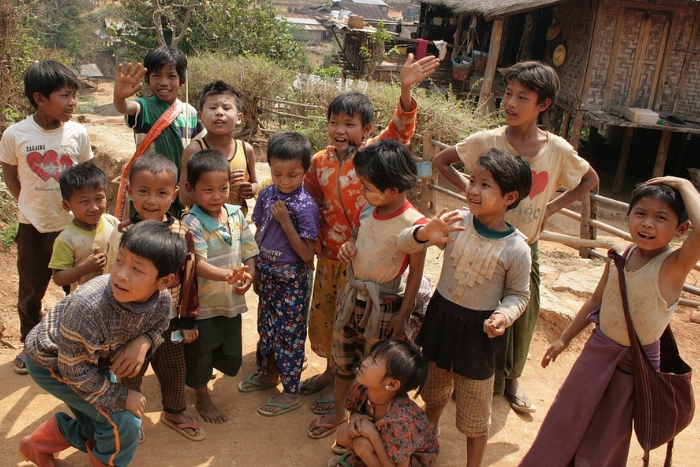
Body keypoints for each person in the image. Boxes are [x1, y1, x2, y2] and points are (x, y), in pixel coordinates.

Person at [432, 61, 599, 412]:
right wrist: (472, 193)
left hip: (525, 247)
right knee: (479, 313)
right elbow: (441, 161)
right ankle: (479, 379)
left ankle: (512, 379)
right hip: (482, 243)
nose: (510, 102)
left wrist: (552, 208)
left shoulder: (557, 150)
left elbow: (590, 180)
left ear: (544, 105)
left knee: (523, 313)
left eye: (523, 96)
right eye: (508, 93)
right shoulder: (487, 140)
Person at [519, 177, 700, 467]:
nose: (647, 223)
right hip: (596, 352)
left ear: (681, 229)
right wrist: (563, 339)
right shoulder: (619, 254)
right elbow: (595, 300)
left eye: (660, 217)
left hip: (635, 364)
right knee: (565, 418)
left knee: (607, 433)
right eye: (641, 213)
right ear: (628, 216)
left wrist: (684, 185)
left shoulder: (673, 267)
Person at [302, 53, 440, 416]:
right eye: (334, 122)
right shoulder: (319, 161)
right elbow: (312, 202)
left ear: (365, 129)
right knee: (328, 321)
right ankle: (332, 372)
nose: (339, 130)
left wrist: (406, 88)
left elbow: (402, 128)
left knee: (353, 323)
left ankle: (341, 385)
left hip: (366, 263)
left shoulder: (372, 156)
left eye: (349, 123)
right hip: (331, 256)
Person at [398, 149, 533, 467]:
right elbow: (405, 243)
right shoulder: (456, 221)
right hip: (441, 320)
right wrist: (424, 233)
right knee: (434, 389)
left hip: (479, 333)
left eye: (485, 185)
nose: (473, 189)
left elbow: (519, 295)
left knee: (475, 407)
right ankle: (428, 439)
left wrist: (504, 315)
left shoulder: (516, 249)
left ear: (509, 197)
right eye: (472, 180)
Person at [18, 221, 187, 467]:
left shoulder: (161, 300)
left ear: (164, 281)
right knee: (124, 420)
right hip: (52, 361)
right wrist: (120, 394)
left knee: (97, 421)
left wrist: (143, 341)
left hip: (93, 359)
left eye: (136, 269)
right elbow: (73, 370)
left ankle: (36, 446)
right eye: (120, 260)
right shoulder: (89, 307)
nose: (120, 274)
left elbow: (159, 327)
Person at [308, 139, 428, 440]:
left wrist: (402, 316)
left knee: (373, 367)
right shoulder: (367, 209)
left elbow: (415, 273)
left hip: (385, 305)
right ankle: (339, 411)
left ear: (391, 190)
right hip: (352, 296)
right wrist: (349, 246)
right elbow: (356, 237)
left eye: (366, 186)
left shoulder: (413, 223)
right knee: (344, 355)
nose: (361, 192)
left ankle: (367, 425)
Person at [0, 60, 94, 375]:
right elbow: (11, 177)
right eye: (64, 96)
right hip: (34, 228)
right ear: (40, 99)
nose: (72, 103)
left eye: (73, 96)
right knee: (31, 290)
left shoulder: (78, 133)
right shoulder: (16, 135)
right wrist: (28, 204)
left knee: (79, 290)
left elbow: (87, 176)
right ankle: (30, 347)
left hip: (74, 228)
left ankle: (75, 346)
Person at [103, 153, 204, 442]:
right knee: (129, 372)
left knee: (173, 369)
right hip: (128, 321)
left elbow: (189, 278)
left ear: (174, 194)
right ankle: (129, 419)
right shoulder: (122, 234)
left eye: (161, 193)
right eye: (143, 191)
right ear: (130, 190)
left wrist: (187, 319)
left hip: (169, 321)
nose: (151, 200)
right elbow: (110, 278)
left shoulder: (182, 232)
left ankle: (173, 412)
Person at [236, 132, 320, 416]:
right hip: (268, 274)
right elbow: (259, 231)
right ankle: (268, 374)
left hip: (291, 280)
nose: (284, 180)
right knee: (267, 328)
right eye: (277, 173)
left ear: (305, 171)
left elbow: (308, 254)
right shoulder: (268, 193)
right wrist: (256, 266)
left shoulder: (305, 206)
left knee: (289, 334)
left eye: (292, 174)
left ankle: (292, 391)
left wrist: (286, 222)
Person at [182, 149, 258, 424]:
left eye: (223, 188)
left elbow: (250, 251)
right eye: (208, 189)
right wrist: (228, 275)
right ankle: (201, 395)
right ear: (190, 189)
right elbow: (198, 265)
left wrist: (248, 276)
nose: (216, 196)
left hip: (230, 302)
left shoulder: (237, 215)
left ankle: (202, 375)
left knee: (230, 354)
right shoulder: (191, 222)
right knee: (201, 351)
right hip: (202, 304)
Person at [113, 46, 205, 218]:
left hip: (176, 191)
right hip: (146, 190)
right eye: (157, 76)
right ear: (147, 79)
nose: (164, 82)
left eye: (171, 76)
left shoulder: (190, 112)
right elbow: (125, 107)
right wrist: (119, 98)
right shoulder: (143, 107)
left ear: (182, 79)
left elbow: (201, 150)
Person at [330, 339, 439, 467]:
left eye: (374, 362)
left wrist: (372, 433)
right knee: (343, 432)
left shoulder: (401, 421)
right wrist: (355, 418)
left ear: (392, 384)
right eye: (370, 356)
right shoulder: (362, 389)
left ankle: (367, 459)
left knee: (362, 445)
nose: (364, 363)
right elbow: (354, 411)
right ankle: (365, 462)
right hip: (387, 445)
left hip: (409, 462)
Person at [180, 80, 258, 214]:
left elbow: (255, 183)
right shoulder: (195, 150)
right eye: (212, 108)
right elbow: (183, 197)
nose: (219, 112)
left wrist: (250, 189)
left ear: (239, 117)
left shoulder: (246, 150)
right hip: (201, 225)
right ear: (200, 116)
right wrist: (220, 187)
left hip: (235, 225)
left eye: (226, 108)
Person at [49, 164, 119, 292]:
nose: (94, 207)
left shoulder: (112, 223)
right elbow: (58, 278)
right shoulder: (66, 239)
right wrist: (84, 268)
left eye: (99, 199)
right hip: (84, 300)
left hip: (114, 293)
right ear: (66, 205)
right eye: (84, 202)